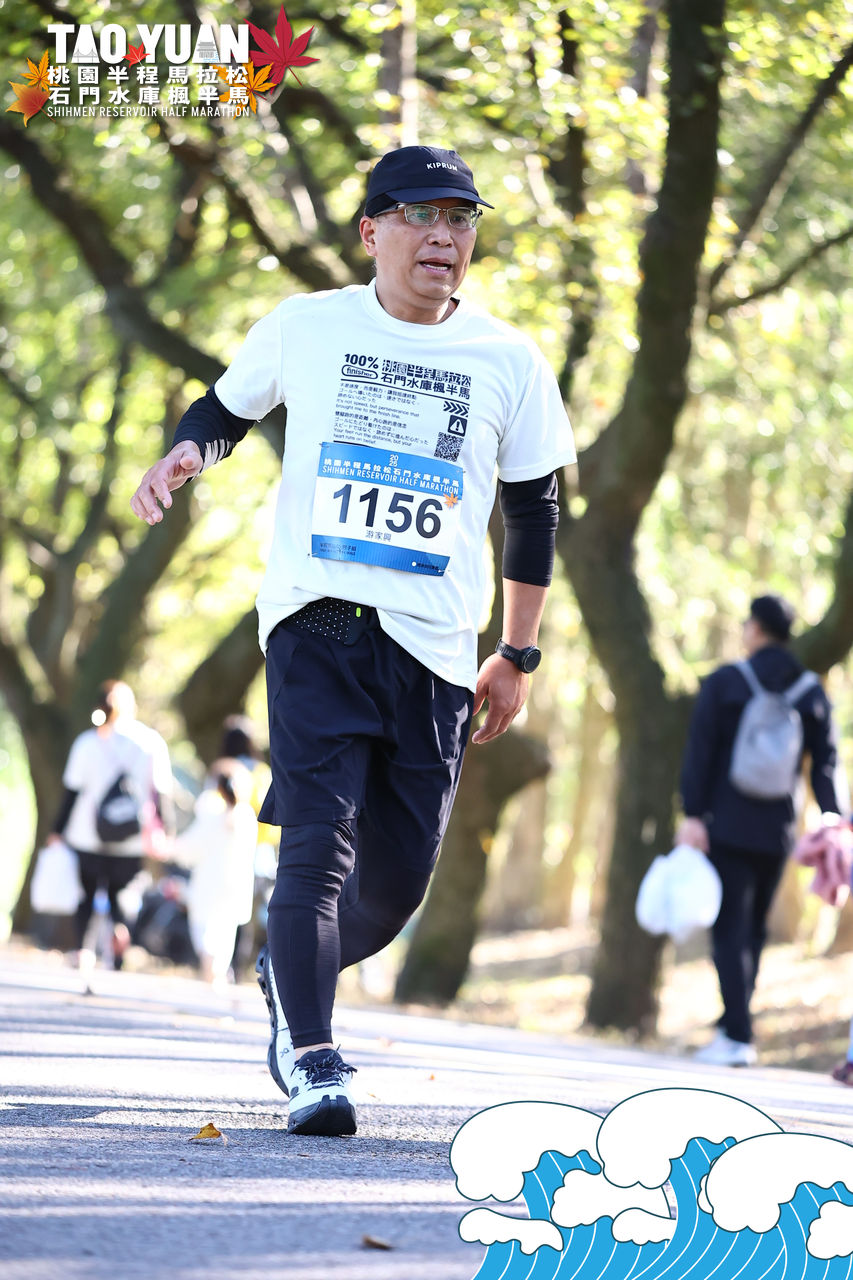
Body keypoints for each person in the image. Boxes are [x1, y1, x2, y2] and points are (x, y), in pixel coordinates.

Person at [130, 144, 576, 1136]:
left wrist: (517, 652)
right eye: (420, 214)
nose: (442, 235)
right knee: (318, 843)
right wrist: (188, 452)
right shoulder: (306, 325)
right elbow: (224, 409)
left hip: (436, 645)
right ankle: (314, 1056)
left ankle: (289, 972)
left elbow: (533, 511)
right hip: (317, 617)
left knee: (395, 883)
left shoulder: (508, 359)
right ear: (371, 230)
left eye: (460, 218)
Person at [677, 594, 843, 1066]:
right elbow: (826, 762)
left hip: (726, 824)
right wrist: (833, 816)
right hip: (779, 828)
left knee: (729, 927)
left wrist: (693, 814)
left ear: (754, 629)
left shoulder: (726, 682)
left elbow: (700, 751)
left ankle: (736, 1035)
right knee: (753, 930)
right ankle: (734, 1027)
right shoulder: (810, 690)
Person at [48, 680, 175, 971]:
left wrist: (57, 831)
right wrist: (167, 832)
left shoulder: (88, 742)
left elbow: (71, 793)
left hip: (86, 835)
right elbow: (161, 793)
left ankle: (84, 951)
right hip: (131, 837)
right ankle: (120, 932)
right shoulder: (150, 742)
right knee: (125, 893)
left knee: (86, 895)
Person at [175, 758, 258, 985]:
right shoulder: (247, 817)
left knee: (205, 935)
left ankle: (210, 973)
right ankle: (217, 975)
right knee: (224, 935)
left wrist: (171, 848)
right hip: (236, 885)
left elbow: (191, 848)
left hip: (208, 884)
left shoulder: (210, 813)